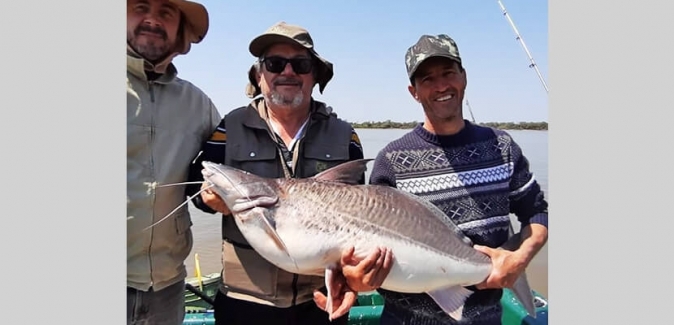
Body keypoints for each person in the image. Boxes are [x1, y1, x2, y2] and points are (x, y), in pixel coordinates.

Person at [333, 34, 550, 324]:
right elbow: (368, 243)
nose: (441, 86)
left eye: (448, 73)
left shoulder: (502, 146)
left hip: (486, 318)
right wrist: (356, 280)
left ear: (464, 77)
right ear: (414, 91)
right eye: (427, 79)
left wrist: (519, 258)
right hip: (404, 319)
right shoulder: (391, 160)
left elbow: (537, 212)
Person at [185, 21, 390, 325]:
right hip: (245, 302)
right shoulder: (230, 127)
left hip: (320, 302)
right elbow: (196, 186)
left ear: (315, 75)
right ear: (260, 74)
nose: (288, 72)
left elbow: (360, 221)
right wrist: (210, 198)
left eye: (301, 64)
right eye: (275, 63)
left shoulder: (345, 136)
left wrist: (350, 282)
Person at [127, 0, 221, 324]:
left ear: (180, 30)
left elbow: (233, 168)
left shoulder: (199, 105)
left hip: (167, 289)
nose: (152, 19)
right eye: (140, 7)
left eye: (166, 12)